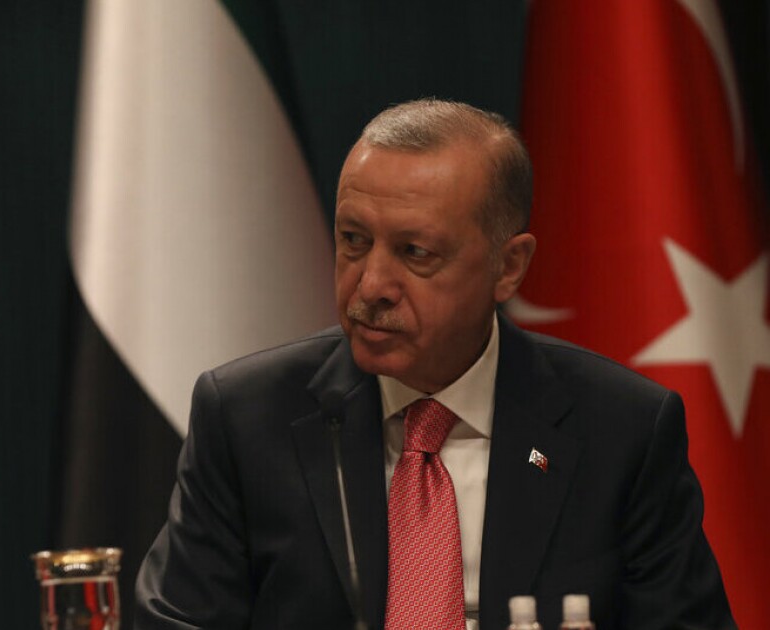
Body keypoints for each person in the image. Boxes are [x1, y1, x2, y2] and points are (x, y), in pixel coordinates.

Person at [133, 99, 734, 629]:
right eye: (353, 240)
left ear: (508, 267)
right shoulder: (247, 418)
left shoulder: (622, 431)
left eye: (415, 252)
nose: (371, 285)